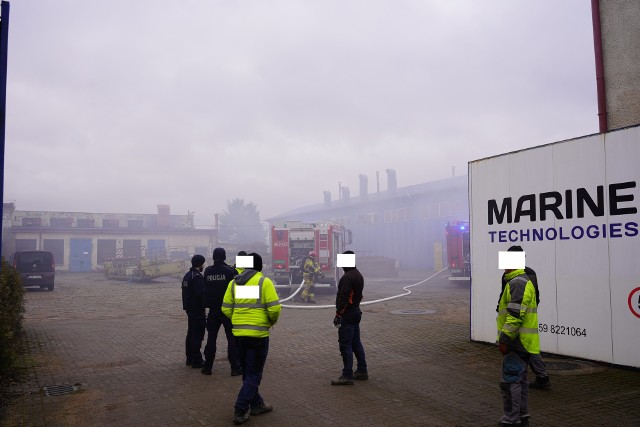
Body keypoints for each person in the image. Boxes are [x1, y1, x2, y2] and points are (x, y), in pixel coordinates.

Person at [222, 252, 281, 425]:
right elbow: (274, 309)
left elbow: (225, 308)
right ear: (260, 266)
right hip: (258, 335)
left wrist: (238, 320)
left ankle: (257, 404)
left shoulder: (234, 283)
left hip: (239, 336)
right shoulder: (264, 282)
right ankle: (241, 408)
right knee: (254, 373)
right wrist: (270, 322)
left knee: (248, 373)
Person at [497, 246, 541, 427]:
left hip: (517, 342)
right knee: (520, 382)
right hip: (522, 343)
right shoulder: (517, 281)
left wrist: (505, 338)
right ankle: (522, 417)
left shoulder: (517, 283)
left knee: (511, 382)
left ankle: (511, 419)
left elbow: (515, 315)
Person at [499, 246, 551, 390]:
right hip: (520, 314)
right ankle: (540, 377)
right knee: (529, 350)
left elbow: (529, 295)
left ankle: (538, 377)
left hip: (520, 315)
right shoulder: (511, 274)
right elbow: (504, 293)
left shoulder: (521, 276)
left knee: (526, 350)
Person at [202, 247, 242, 376]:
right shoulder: (230, 271)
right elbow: (238, 291)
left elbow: (205, 289)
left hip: (213, 310)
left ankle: (207, 367)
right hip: (228, 310)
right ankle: (235, 368)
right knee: (232, 339)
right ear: (224, 257)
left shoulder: (207, 272)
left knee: (211, 339)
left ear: (213, 257)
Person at [331, 250, 368, 386]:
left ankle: (347, 375)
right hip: (356, 312)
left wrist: (338, 314)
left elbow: (343, 297)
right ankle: (362, 370)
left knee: (345, 344)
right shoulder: (358, 275)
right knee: (356, 342)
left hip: (347, 314)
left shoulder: (347, 278)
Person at [181, 254, 207, 369]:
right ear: (200, 264)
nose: (204, 266)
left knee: (191, 333)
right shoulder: (197, 277)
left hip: (190, 309)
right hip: (197, 310)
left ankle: (189, 358)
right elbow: (201, 294)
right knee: (197, 335)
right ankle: (197, 360)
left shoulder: (187, 276)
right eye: (203, 263)